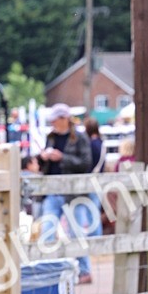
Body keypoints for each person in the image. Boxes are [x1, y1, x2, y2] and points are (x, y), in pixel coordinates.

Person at [38, 103, 95, 284]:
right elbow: (44, 166)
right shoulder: (51, 137)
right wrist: (44, 157)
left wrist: (62, 157)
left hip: (73, 192)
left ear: (64, 119)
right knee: (47, 232)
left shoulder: (79, 137)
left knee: (76, 233)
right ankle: (50, 271)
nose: (53, 123)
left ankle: (84, 270)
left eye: (55, 119)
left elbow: (86, 162)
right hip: (52, 191)